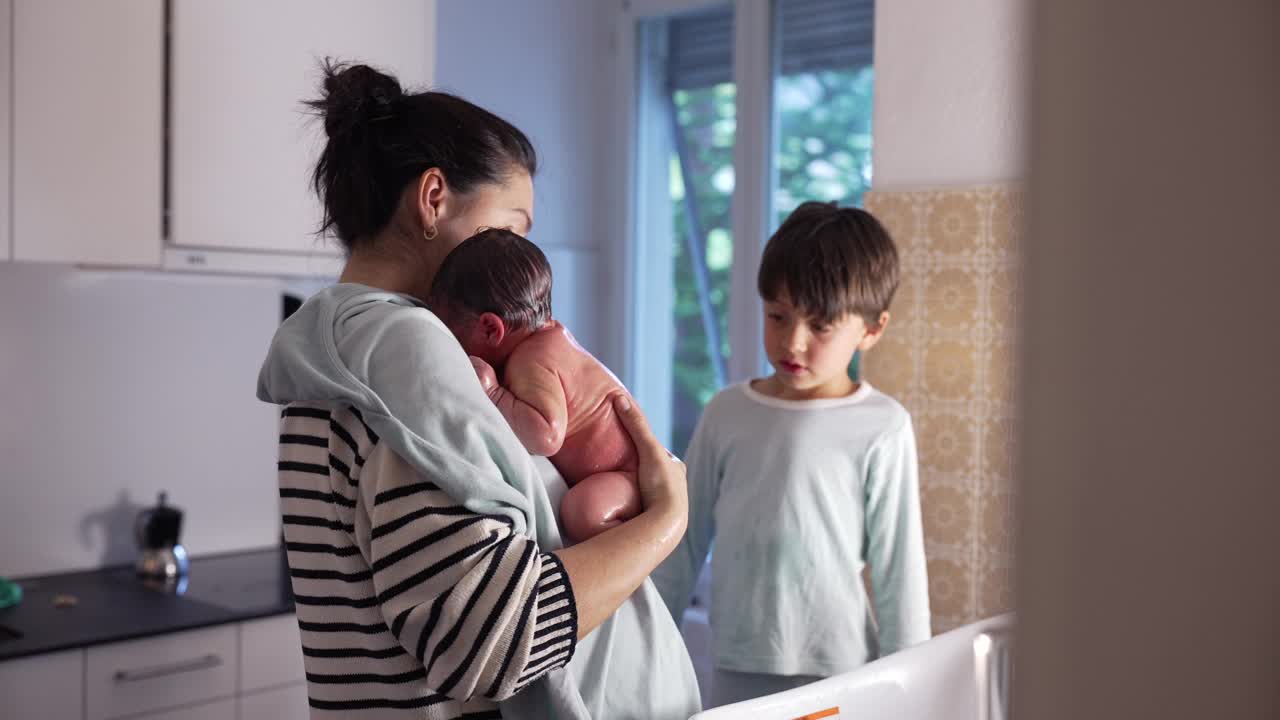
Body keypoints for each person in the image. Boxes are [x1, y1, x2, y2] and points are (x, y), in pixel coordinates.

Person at [257, 61, 700, 719]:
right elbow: (491, 642)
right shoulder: (408, 351)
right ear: (434, 198)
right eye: (512, 228)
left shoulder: (331, 347)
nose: (521, 255)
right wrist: (666, 523)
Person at [652, 201, 931, 707]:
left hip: (841, 668)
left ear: (872, 328)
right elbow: (680, 543)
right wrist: (648, 645)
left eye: (820, 326)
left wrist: (912, 690)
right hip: (736, 659)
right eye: (777, 316)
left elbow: (899, 575)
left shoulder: (883, 426)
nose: (793, 342)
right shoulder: (727, 412)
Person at [428, 228, 642, 543]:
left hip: (626, 476)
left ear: (491, 328)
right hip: (620, 473)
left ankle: (624, 563)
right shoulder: (547, 340)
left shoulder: (531, 359)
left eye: (455, 336)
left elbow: (546, 435)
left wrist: (494, 394)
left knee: (582, 511)